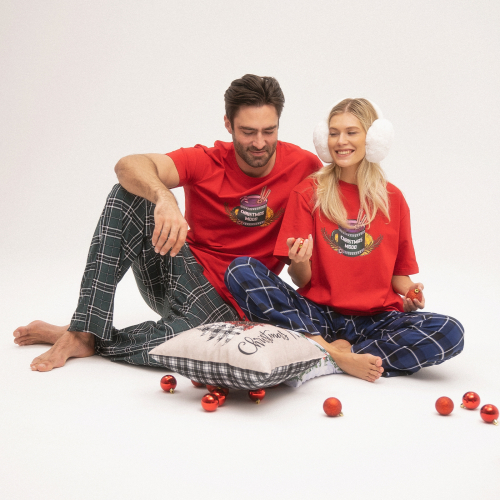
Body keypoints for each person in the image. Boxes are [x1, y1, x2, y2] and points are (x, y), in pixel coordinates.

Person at [13, 74, 322, 371]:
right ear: (228, 124)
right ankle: (83, 329)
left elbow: (338, 201)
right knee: (129, 193)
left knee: (191, 347)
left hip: (229, 305)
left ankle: (89, 333)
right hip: (176, 271)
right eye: (248, 131)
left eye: (269, 131)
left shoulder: (304, 166)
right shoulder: (206, 160)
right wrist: (165, 198)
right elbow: (128, 165)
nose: (259, 142)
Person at [225, 98, 464, 382]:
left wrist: (411, 291)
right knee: (241, 270)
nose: (340, 141)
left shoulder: (393, 199)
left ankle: (332, 354)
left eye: (351, 132)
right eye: (334, 133)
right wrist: (300, 260)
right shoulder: (308, 193)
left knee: (451, 331)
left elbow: (399, 275)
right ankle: (336, 354)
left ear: (373, 139)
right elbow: (302, 280)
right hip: (317, 315)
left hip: (376, 319)